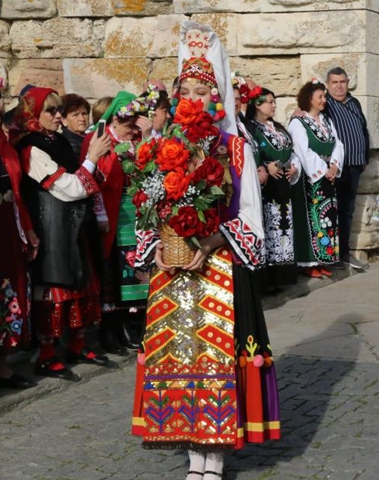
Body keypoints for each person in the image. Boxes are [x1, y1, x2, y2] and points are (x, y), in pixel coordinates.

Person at [131, 22, 280, 480]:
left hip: (217, 268)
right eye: (187, 88)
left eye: (202, 88)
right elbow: (149, 207)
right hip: (174, 272)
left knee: (214, 356)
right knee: (181, 356)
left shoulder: (235, 148)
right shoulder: (162, 145)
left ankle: (213, 456)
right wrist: (156, 243)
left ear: (216, 95)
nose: (193, 96)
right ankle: (190, 446)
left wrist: (213, 241)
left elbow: (252, 219)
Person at [12, 87, 112, 379]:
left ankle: (77, 345)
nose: (58, 116)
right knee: (54, 289)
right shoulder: (31, 147)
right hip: (51, 225)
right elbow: (69, 188)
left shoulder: (57, 141)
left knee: (80, 282)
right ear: (34, 115)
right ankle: (45, 355)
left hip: (73, 225)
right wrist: (92, 157)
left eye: (59, 110)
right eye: (51, 111)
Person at [84, 90, 155, 355]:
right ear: (115, 120)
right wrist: (101, 214)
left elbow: (151, 168)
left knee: (137, 265)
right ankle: (110, 327)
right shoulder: (102, 140)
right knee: (113, 269)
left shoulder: (137, 139)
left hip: (136, 212)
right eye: (128, 124)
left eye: (136, 123)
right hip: (113, 212)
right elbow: (94, 181)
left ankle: (133, 321)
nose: (132, 129)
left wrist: (147, 138)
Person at [0, 72, 37, 393]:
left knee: (2, 294)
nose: (0, 108)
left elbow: (16, 191)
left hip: (3, 230)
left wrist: (27, 230)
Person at [245, 86, 301, 288]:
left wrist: (294, 166)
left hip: (284, 184)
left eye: (274, 101)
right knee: (271, 229)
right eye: (270, 101)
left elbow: (291, 151)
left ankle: (284, 277)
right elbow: (253, 152)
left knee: (284, 230)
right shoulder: (252, 128)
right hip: (268, 186)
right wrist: (266, 165)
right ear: (258, 105)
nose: (274, 105)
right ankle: (270, 280)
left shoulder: (277, 127)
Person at [288, 80, 344, 278]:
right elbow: (302, 150)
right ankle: (308, 261)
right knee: (312, 217)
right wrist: (322, 169)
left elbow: (338, 144)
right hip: (311, 179)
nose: (324, 100)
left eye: (324, 96)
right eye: (320, 97)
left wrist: (335, 165)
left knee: (326, 219)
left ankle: (323, 257)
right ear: (309, 99)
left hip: (328, 175)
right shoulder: (298, 122)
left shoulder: (327, 121)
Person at [324, 67, 370, 270]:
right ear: (327, 84)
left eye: (342, 81)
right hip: (336, 168)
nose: (339, 86)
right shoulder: (325, 104)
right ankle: (332, 255)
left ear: (348, 82)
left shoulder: (354, 102)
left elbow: (363, 129)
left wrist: (365, 157)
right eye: (334, 82)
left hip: (355, 165)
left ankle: (344, 253)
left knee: (348, 211)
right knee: (333, 212)